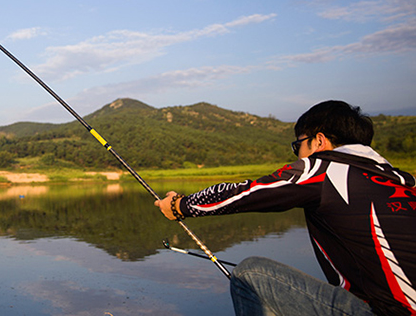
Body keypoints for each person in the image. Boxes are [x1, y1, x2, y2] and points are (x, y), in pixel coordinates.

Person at [155, 100, 415, 316]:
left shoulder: (323, 168)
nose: (298, 154)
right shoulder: (404, 180)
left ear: (318, 141)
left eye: (297, 145)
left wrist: (181, 205)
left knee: (251, 273)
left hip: (388, 312)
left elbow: (248, 193)